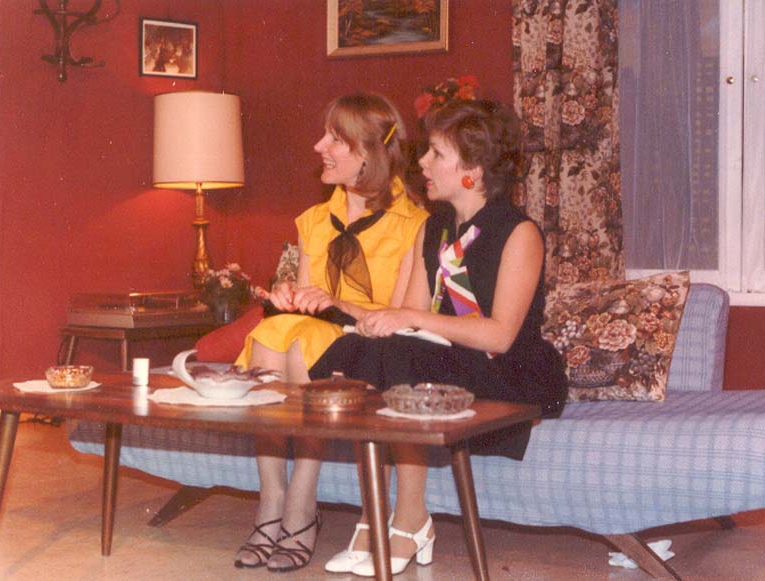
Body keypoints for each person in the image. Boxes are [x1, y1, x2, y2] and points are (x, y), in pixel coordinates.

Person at [309, 99, 568, 576]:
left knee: (401, 356)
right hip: (447, 362)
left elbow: (501, 335)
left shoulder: (519, 232)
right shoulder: (433, 228)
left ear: (473, 170)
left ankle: (411, 519)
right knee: (358, 349)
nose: (422, 163)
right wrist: (340, 307)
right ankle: (373, 516)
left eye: (436, 154)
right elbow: (405, 320)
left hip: (510, 372)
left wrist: (411, 319)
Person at [232, 93, 428, 572]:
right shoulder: (314, 220)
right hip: (317, 333)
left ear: (368, 154)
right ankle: (271, 499)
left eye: (335, 139)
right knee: (271, 333)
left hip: (370, 343)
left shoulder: (413, 224)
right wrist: (288, 295)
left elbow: (402, 319)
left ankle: (301, 503)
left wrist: (337, 304)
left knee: (301, 343)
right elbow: (306, 300)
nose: (319, 146)